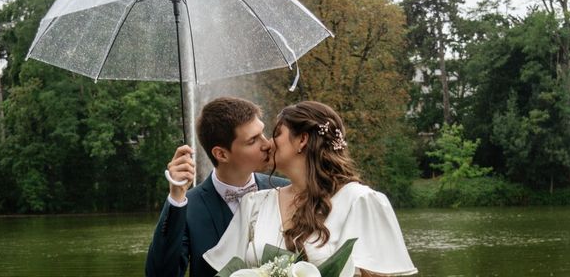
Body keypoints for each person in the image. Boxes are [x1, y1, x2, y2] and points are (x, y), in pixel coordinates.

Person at [203, 101, 418, 277]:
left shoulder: (358, 201)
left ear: (302, 140)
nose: (268, 143)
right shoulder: (255, 204)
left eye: (276, 133)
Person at [145, 96, 288, 277]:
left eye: (263, 133)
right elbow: (160, 274)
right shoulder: (189, 207)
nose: (267, 144)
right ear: (221, 154)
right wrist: (176, 199)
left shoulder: (284, 191)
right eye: (253, 140)